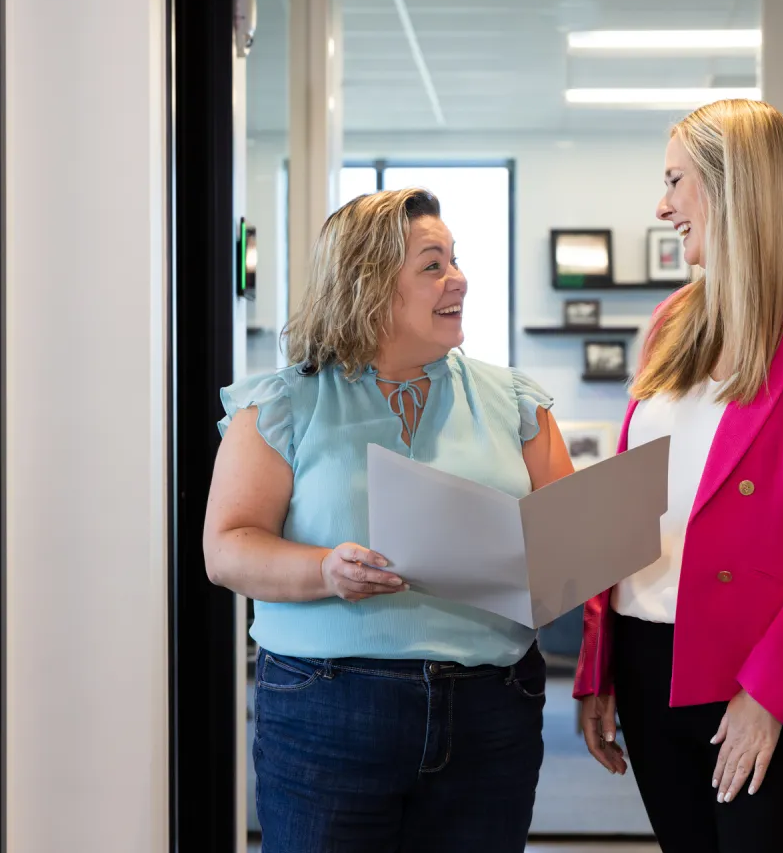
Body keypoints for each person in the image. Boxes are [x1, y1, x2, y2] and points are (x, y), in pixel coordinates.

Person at [572, 99, 783, 853]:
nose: (662, 207)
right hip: (648, 656)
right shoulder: (672, 321)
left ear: (735, 188)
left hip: (771, 671)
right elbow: (634, 499)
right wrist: (598, 663)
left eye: (675, 182)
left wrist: (771, 693)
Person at [203, 187, 574, 852]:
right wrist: (326, 570)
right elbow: (228, 548)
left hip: (492, 711)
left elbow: (572, 544)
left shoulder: (515, 401)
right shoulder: (285, 404)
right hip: (328, 709)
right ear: (367, 283)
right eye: (432, 265)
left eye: (455, 260)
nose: (458, 278)